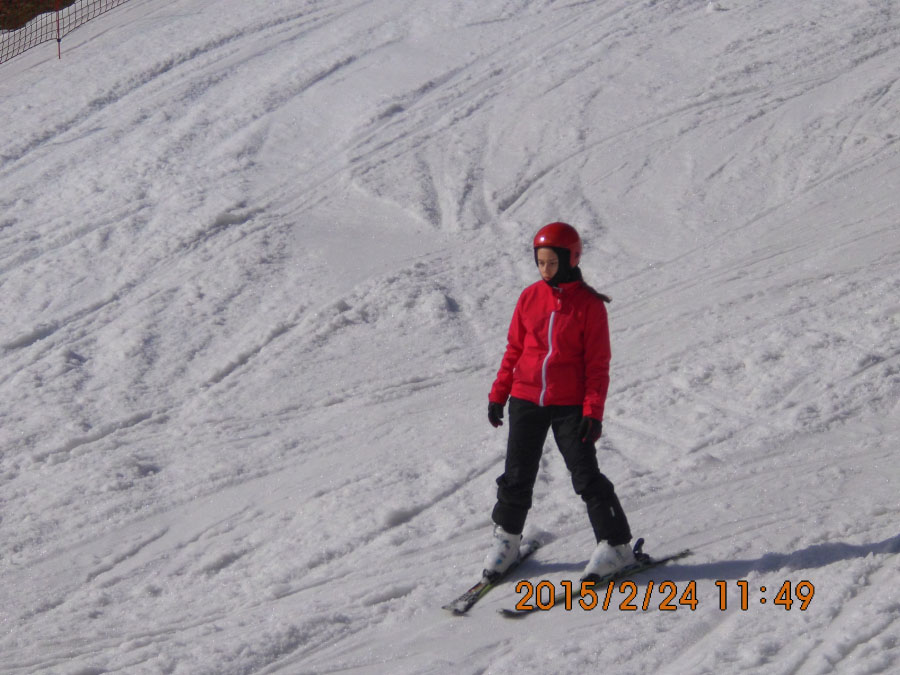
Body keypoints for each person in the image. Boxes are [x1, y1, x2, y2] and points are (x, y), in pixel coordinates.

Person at [482, 222, 633, 580]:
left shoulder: (590, 306)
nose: (545, 270)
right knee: (517, 475)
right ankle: (507, 539)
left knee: (585, 474)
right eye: (540, 262)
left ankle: (616, 545)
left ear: (570, 259)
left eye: (552, 262)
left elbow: (597, 365)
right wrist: (499, 393)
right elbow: (514, 349)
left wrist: (593, 411)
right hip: (526, 398)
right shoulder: (530, 297)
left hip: (570, 404)